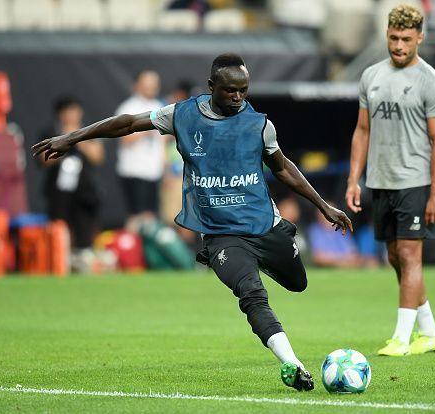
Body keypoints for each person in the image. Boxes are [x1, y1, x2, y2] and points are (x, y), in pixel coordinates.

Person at [33, 53, 353, 391]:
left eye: (243, 90)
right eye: (230, 90)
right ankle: (292, 363)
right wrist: (72, 138)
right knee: (252, 296)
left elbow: (283, 167)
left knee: (298, 283)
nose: (238, 97)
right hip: (221, 235)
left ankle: (267, 262)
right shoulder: (182, 114)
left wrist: (322, 205)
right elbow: (127, 123)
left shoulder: (259, 125)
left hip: (264, 225)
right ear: (212, 86)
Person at [345, 5, 435, 357]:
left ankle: (401, 339)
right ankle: (430, 331)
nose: (399, 46)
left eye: (406, 39)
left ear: (420, 37)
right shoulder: (371, 76)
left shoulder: (432, 82)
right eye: (393, 38)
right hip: (381, 180)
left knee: (408, 253)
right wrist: (353, 179)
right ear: (386, 35)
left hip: (415, 181)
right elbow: (362, 130)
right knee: (394, 256)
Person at [41, 97, 104, 268]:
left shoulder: (90, 130)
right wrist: (62, 141)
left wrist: (76, 137)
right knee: (60, 228)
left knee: (84, 228)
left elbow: (98, 157)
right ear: (60, 114)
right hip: (59, 191)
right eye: (68, 111)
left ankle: (83, 262)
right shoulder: (50, 132)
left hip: (84, 191)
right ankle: (59, 262)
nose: (72, 115)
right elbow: (43, 160)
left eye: (75, 111)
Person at [114, 70, 165, 226]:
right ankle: (132, 248)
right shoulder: (127, 108)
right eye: (147, 84)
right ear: (136, 85)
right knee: (136, 216)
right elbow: (123, 138)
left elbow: (163, 140)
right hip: (135, 171)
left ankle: (147, 250)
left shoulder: (159, 106)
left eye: (154, 84)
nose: (151, 87)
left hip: (154, 171)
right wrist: (145, 130)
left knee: (151, 217)